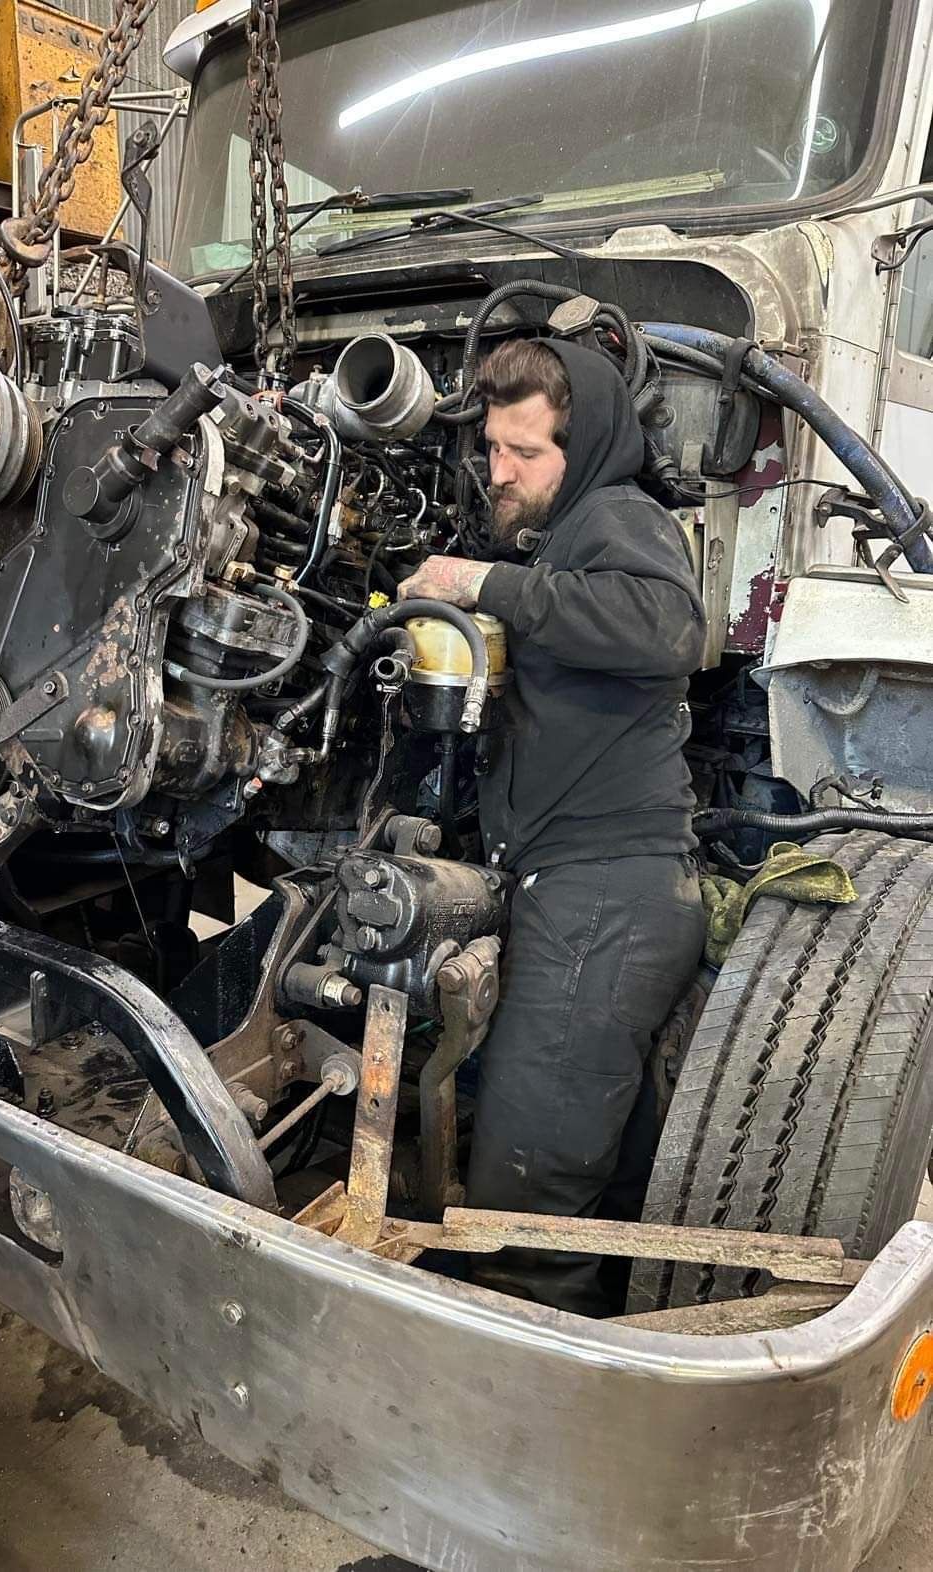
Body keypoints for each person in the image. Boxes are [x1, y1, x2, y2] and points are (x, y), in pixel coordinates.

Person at [397, 337, 707, 1316]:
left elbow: (669, 631)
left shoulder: (619, 518)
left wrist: (478, 585)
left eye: (525, 452)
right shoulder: (557, 550)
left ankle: (515, 1422)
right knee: (585, 1171)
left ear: (589, 445)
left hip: (607, 893)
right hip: (575, 890)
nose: (500, 471)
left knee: (522, 1201)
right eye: (491, 448)